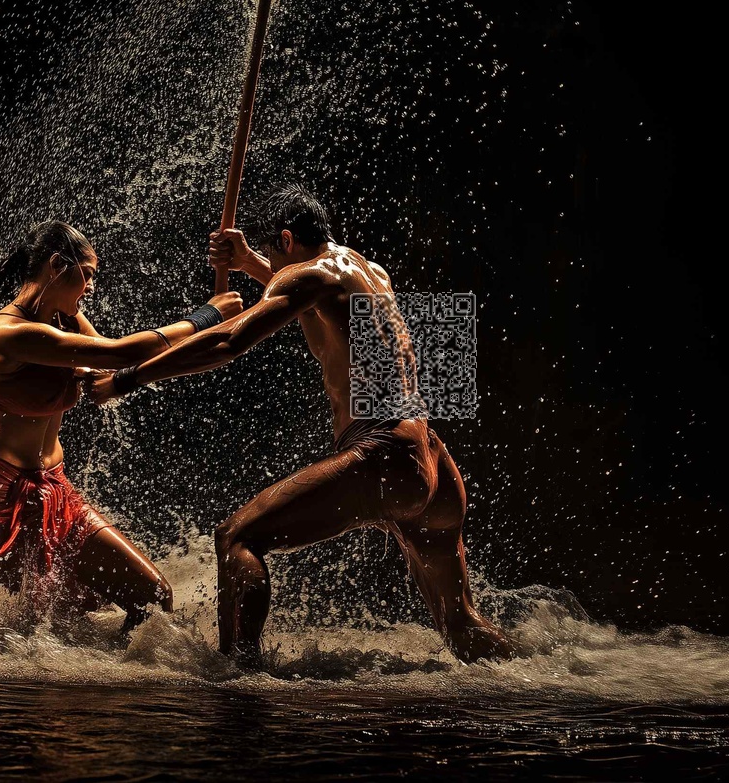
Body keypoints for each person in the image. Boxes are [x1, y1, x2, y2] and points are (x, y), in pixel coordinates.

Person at [91, 185, 515, 665]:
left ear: (288, 240)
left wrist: (125, 379)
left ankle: (238, 683)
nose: (275, 267)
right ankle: (535, 681)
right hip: (432, 463)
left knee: (237, 538)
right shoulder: (370, 271)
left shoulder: (308, 277)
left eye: (274, 253)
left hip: (385, 456)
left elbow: (230, 340)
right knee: (460, 623)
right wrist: (251, 262)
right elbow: (304, 291)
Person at [0, 220, 243, 636]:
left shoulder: (68, 320)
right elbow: (125, 351)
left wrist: (212, 330)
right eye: (86, 274)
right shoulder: (6, 333)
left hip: (54, 490)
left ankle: (93, 695)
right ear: (55, 266)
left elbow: (118, 360)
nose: (89, 287)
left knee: (153, 596)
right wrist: (209, 314)